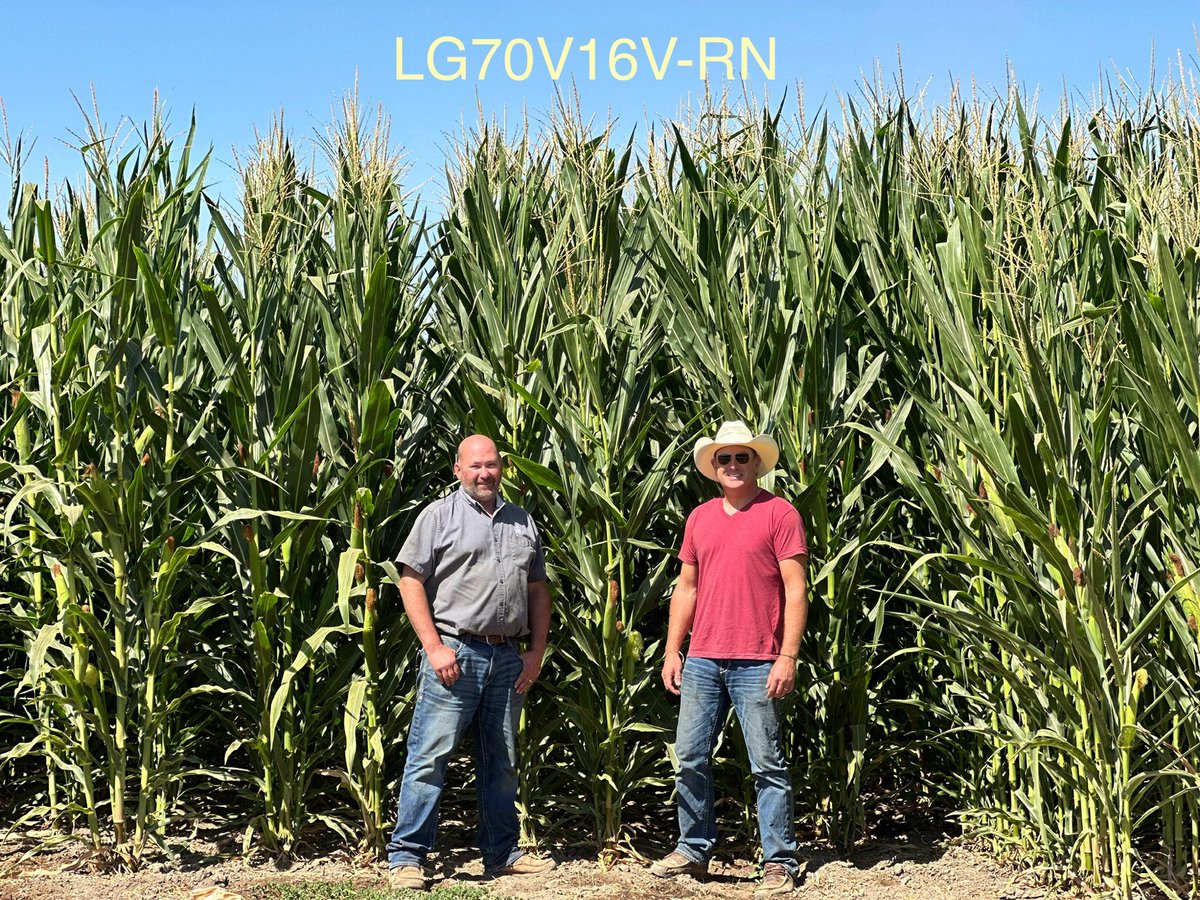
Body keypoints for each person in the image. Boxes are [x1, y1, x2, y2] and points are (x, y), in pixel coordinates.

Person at [386, 434, 556, 891]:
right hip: (456, 653)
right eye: (475, 465)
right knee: (430, 757)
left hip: (507, 656)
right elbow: (409, 580)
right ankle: (407, 857)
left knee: (500, 759)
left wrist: (535, 651)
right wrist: (434, 646)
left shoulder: (522, 521)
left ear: (502, 469)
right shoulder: (438, 516)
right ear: (458, 469)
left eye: (492, 465)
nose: (485, 473)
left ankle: (502, 854)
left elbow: (538, 588)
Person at [651, 420, 810, 898]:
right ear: (714, 467)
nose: (734, 465)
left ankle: (779, 860)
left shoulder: (780, 514)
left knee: (767, 764)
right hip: (702, 658)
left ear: (757, 463)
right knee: (690, 758)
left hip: (759, 659)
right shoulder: (699, 518)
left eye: (743, 457)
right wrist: (672, 648)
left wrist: (788, 655)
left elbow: (796, 588)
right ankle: (693, 849)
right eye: (726, 458)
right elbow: (688, 587)